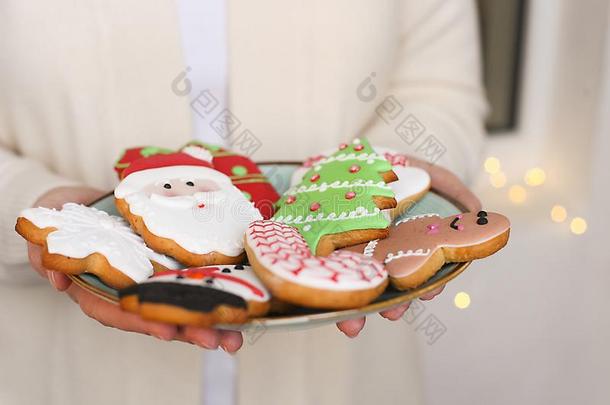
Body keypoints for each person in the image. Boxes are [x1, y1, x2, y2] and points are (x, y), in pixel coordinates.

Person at [0, 0, 486, 404]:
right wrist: (35, 204)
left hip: (345, 376)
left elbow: (437, 90)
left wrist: (392, 184)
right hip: (58, 370)